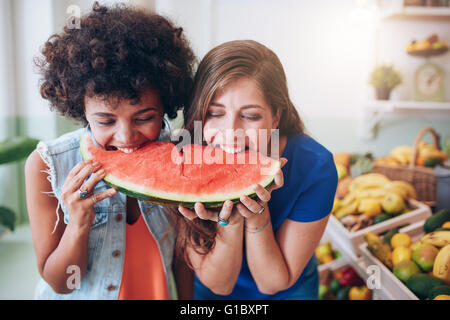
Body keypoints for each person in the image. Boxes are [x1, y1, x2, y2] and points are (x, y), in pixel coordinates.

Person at [24, 2, 195, 300]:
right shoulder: (46, 165)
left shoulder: (181, 157)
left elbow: (183, 261)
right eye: (105, 120)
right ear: (80, 107)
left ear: (166, 104)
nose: (126, 136)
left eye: (144, 118)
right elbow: (62, 283)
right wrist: (77, 223)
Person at [176, 40, 338, 299]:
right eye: (214, 113)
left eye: (250, 116)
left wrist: (257, 215)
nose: (231, 134)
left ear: (275, 117)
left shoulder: (316, 167)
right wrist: (231, 218)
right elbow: (219, 285)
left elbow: (273, 283)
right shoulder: (185, 158)